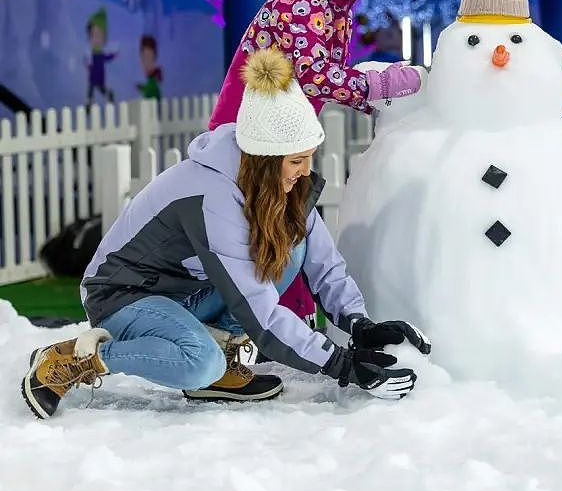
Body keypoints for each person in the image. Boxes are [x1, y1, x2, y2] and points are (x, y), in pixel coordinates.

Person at [22, 47, 430, 419]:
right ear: (266, 160)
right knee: (200, 362)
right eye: (297, 160)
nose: (306, 170)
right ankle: (74, 359)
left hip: (187, 294)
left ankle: (213, 369)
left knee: (292, 247)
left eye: (309, 158)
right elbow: (260, 312)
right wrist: (341, 365)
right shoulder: (211, 195)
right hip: (126, 295)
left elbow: (324, 264)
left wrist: (359, 324)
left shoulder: (281, 183)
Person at [208, 0, 425, 331]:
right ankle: (275, 323)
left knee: (283, 221)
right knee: (269, 227)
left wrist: (370, 90)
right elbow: (316, 76)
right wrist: (378, 88)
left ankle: (292, 320)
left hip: (279, 130)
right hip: (251, 130)